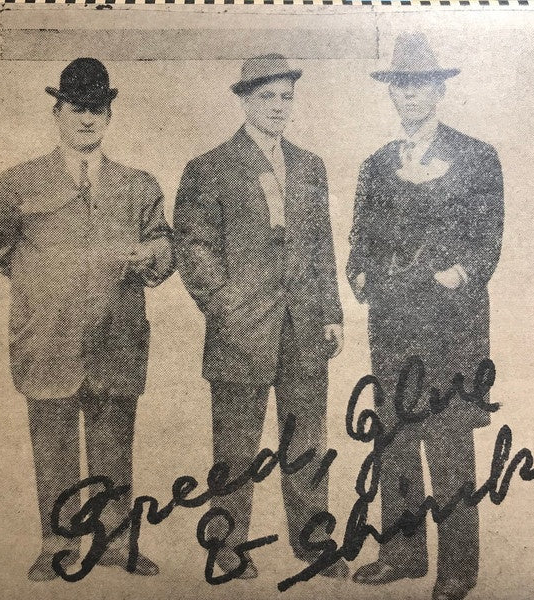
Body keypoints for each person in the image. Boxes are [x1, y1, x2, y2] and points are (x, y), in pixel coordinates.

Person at [0, 58, 174, 581]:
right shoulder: (18, 182)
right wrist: (43, 285)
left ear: (109, 116)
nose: (87, 119)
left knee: (114, 442)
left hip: (117, 335)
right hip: (48, 340)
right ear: (57, 112)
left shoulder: (138, 185)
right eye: (77, 108)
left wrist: (153, 254)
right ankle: (57, 546)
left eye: (97, 110)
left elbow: (163, 246)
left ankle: (113, 543)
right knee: (53, 443)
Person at [174, 54, 348, 580]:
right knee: (235, 447)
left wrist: (331, 313)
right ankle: (226, 546)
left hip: (304, 328)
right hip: (239, 332)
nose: (277, 107)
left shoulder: (310, 165)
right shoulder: (209, 167)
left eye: (285, 97)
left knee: (307, 444)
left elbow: (321, 247)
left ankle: (313, 542)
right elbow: (194, 250)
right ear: (245, 101)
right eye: (266, 97)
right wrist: (229, 311)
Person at [346, 33, 504, 600]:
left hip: (449, 329)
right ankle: (402, 554)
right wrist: (360, 276)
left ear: (439, 90)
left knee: (448, 443)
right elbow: (358, 243)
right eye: (401, 86)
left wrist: (453, 276)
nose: (410, 95)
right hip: (391, 326)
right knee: (393, 438)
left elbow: (486, 243)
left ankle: (457, 570)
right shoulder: (376, 165)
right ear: (392, 93)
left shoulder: (477, 157)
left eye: (420, 85)